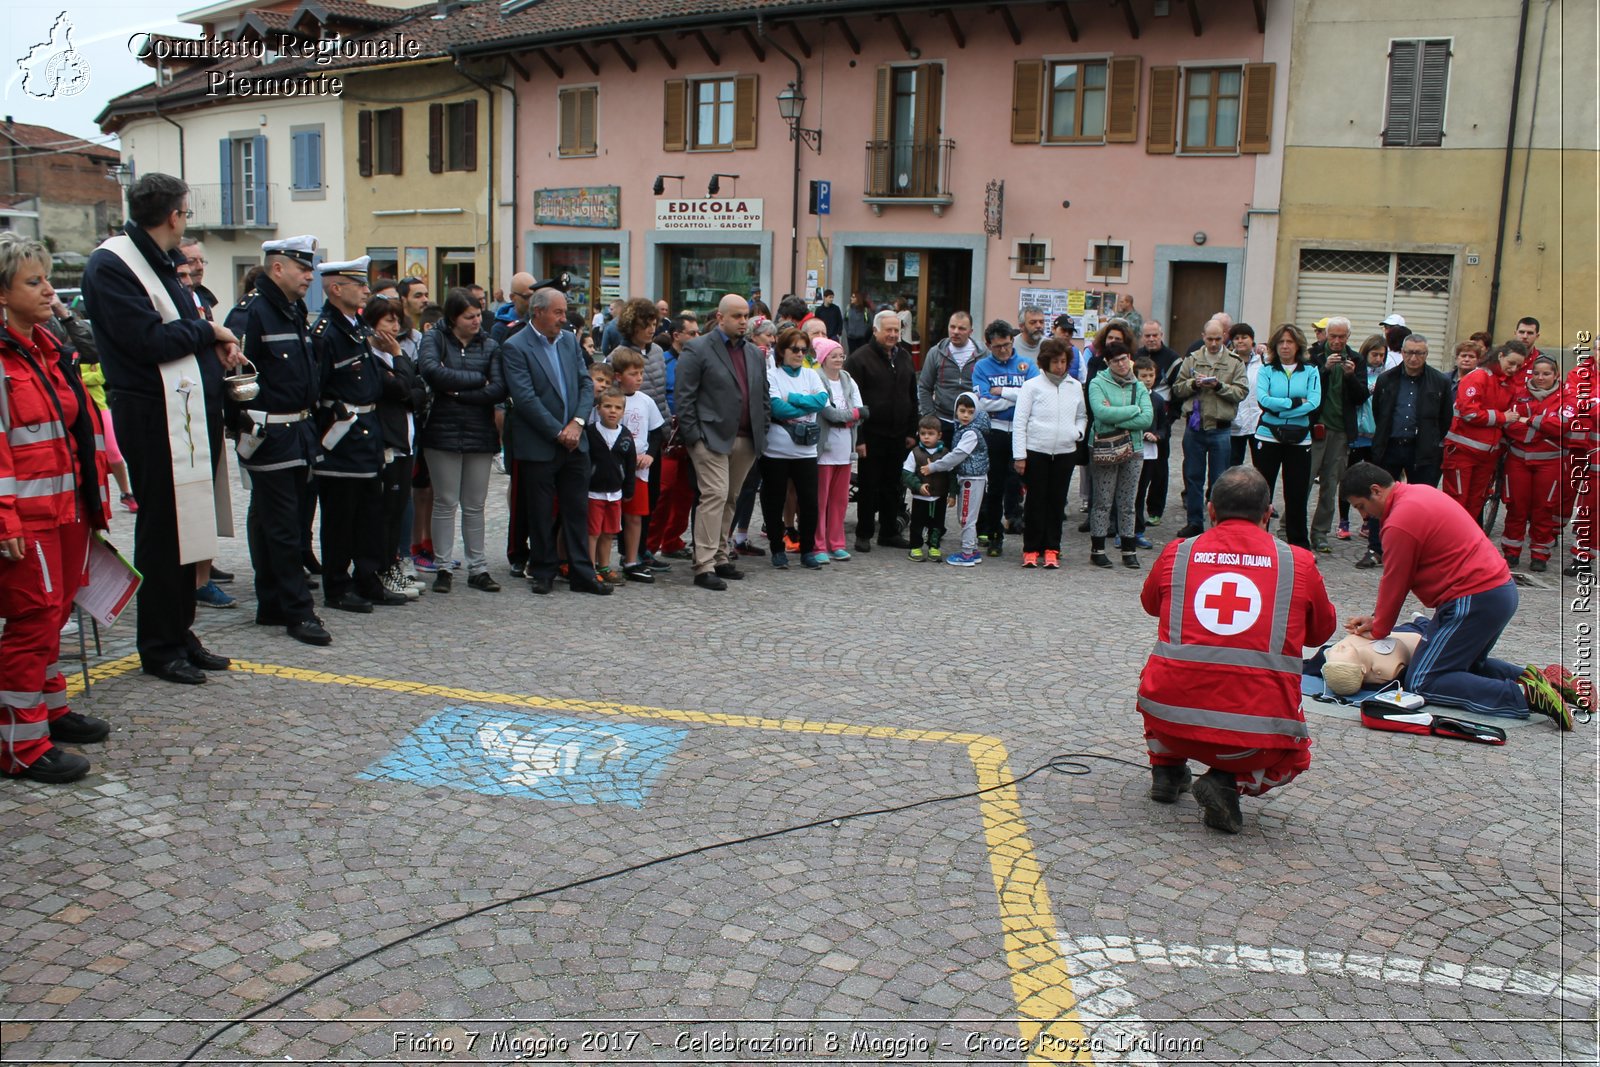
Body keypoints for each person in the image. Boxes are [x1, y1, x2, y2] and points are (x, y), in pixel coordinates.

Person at [80, 173, 243, 677]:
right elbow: (149, 341)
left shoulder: (164, 263)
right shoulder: (113, 264)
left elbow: (180, 330)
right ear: (175, 214)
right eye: (186, 213)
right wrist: (208, 329)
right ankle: (158, 645)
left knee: (189, 532)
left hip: (187, 410)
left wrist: (211, 342)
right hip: (151, 415)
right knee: (161, 534)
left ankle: (181, 630)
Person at [1138, 466, 1338, 834]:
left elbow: (1151, 604)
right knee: (1296, 757)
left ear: (1211, 510)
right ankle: (1229, 783)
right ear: (1267, 514)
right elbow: (1320, 633)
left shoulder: (1178, 552)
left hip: (1170, 722)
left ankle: (1166, 769)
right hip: (1254, 738)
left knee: (1164, 671)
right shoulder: (1299, 562)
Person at [1341, 461, 1575, 728]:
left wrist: (1380, 628)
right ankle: (1538, 679)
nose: (1364, 515)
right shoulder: (1420, 492)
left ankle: (1525, 695)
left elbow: (1395, 580)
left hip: (1473, 598)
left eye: (1361, 506)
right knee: (1467, 666)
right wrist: (1377, 619)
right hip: (1497, 591)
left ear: (1376, 490)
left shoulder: (1398, 522)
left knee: (1424, 680)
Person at [0, 232, 112, 784]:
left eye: (47, 279)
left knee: (57, 614)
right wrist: (6, 519)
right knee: (32, 622)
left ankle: (49, 711)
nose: (49, 290)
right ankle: (20, 746)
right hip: (27, 520)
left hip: (65, 511)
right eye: (34, 281)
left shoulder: (44, 347)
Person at [230, 236, 329, 646]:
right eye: (302, 268)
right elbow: (233, 379)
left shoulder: (291, 310)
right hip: (269, 434)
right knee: (284, 527)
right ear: (277, 268)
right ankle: (297, 610)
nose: (309, 276)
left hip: (298, 433)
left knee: (279, 522)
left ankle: (271, 601)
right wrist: (243, 428)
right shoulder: (251, 314)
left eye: (311, 268)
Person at [311, 256, 406, 613]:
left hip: (368, 435)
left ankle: (367, 578)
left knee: (370, 513)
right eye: (358, 283)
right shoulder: (326, 334)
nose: (366, 289)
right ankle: (337, 585)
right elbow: (316, 391)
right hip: (341, 437)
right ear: (336, 289)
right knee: (340, 518)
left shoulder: (357, 329)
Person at [502, 286, 610, 596]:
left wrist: (576, 424)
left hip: (575, 443)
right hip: (540, 444)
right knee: (539, 511)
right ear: (538, 312)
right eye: (558, 312)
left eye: (564, 312)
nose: (563, 319)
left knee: (577, 510)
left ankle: (581, 572)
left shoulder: (568, 343)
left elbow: (585, 384)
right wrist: (558, 432)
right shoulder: (516, 347)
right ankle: (543, 569)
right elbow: (525, 399)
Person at [675, 294, 768, 591]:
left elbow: (762, 396)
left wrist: (761, 428)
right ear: (720, 317)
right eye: (737, 316)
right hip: (709, 438)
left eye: (746, 316)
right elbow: (684, 396)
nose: (744, 321)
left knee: (731, 497)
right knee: (714, 495)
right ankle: (703, 565)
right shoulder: (698, 348)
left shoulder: (754, 353)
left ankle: (720, 556)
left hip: (746, 437)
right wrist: (694, 437)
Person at [417, 287, 507, 594]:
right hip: (441, 429)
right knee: (445, 501)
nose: (477, 321)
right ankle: (443, 565)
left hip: (479, 430)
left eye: (479, 314)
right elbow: (431, 372)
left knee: (475, 503)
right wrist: (474, 382)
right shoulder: (434, 339)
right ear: (454, 317)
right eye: (470, 316)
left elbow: (497, 388)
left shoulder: (491, 344)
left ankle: (478, 567)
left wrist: (456, 392)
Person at [1357, 333, 1453, 569]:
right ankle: (1376, 548)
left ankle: (1418, 551)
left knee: (1422, 503)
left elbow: (1445, 419)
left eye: (1418, 353)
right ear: (1402, 353)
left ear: (1426, 354)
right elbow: (1379, 411)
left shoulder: (1439, 381)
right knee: (1380, 498)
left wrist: (1430, 440)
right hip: (1389, 446)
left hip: (1422, 451)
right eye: (1409, 352)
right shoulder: (1387, 379)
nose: (1413, 358)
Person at [363, 296, 426, 600]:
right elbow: (401, 388)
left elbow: (418, 392)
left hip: (407, 438)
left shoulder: (396, 358)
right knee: (385, 512)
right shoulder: (372, 356)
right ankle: (382, 567)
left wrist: (403, 372)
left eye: (397, 320)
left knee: (399, 507)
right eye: (388, 320)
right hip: (386, 440)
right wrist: (399, 357)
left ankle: (392, 564)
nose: (395, 326)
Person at [844, 309, 918, 552]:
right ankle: (864, 533)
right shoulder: (859, 359)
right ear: (876, 330)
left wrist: (911, 431)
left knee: (894, 486)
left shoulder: (905, 357)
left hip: (898, 433)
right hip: (872, 433)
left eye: (897, 330)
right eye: (889, 330)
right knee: (869, 485)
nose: (894, 334)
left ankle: (888, 531)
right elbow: (852, 401)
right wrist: (859, 438)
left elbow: (912, 395)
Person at [1010, 339, 1085, 569]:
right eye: (1055, 362)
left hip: (1065, 452)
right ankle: (1031, 548)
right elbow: (1020, 421)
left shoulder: (1074, 386)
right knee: (1035, 501)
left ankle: (1052, 548)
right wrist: (1019, 455)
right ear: (1045, 362)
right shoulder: (1032, 386)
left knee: (1057, 502)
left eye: (1063, 362)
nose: (1060, 366)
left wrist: (1077, 432)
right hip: (1037, 451)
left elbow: (1082, 415)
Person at [1171, 318, 1248, 537]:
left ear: (1224, 337)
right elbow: (1177, 388)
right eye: (1209, 338)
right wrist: (1193, 384)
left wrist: (1219, 386)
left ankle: (1219, 524)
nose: (1214, 343)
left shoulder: (1234, 362)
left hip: (1221, 429)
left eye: (1217, 338)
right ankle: (1194, 521)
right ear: (1203, 337)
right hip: (1195, 427)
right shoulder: (1193, 359)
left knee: (1220, 480)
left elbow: (1241, 392)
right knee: (1193, 477)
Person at [1250, 323, 1321, 550]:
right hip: (1268, 435)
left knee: (1297, 493)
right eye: (1281, 342)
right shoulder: (1267, 370)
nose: (1285, 346)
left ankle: (1299, 544)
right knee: (1263, 492)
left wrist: (1282, 408)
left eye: (1289, 341)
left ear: (1298, 344)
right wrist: (1293, 403)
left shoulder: (1311, 371)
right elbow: (1264, 401)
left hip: (1300, 438)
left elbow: (1313, 402)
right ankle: (1258, 541)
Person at [762, 325, 828, 569]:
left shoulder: (811, 375)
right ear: (782, 350)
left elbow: (822, 401)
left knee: (810, 502)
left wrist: (795, 399)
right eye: (795, 349)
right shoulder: (773, 375)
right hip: (776, 451)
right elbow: (777, 408)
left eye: (804, 350)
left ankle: (807, 550)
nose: (800, 354)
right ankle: (777, 548)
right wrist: (805, 406)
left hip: (806, 451)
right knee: (774, 500)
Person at [1441, 341, 1527, 525]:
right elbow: (1470, 413)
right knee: (1457, 502)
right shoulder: (1478, 377)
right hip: (1461, 452)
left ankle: (1465, 544)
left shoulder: (1507, 384)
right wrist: (1502, 417)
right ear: (1500, 356)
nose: (1514, 368)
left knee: (1475, 504)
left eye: (1518, 366)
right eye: (1511, 363)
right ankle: (1447, 544)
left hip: (1487, 456)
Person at [970, 320, 1036, 555]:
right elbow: (983, 402)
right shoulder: (982, 368)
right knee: (995, 484)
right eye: (998, 347)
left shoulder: (1026, 364)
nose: (1004, 350)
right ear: (988, 345)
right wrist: (1017, 398)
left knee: (1019, 482)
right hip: (995, 430)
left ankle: (1026, 531)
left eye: (1007, 345)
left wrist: (1005, 392)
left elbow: (1033, 397)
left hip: (1021, 431)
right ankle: (994, 534)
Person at [1088, 342, 1154, 568]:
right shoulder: (1098, 383)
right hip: (1106, 446)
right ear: (1108, 362)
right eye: (1116, 360)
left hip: (1134, 448)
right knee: (1103, 500)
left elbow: (1147, 419)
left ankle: (1128, 548)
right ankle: (1097, 549)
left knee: (1128, 501)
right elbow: (1100, 412)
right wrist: (1133, 410)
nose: (1122, 364)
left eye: (1125, 358)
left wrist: (1115, 416)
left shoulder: (1138, 385)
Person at [1500, 354, 1566, 571]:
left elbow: (1563, 426)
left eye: (1546, 373)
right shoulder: (1519, 395)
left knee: (1544, 508)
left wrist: (1529, 420)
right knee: (1516, 506)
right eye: (1537, 373)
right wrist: (1542, 427)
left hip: (1550, 462)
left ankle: (1540, 554)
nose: (1541, 377)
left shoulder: (1567, 396)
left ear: (1556, 375)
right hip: (1518, 460)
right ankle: (1511, 552)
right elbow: (1510, 425)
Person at [1309, 317, 1363, 553]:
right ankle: (1290, 529)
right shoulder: (1313, 356)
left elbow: (1361, 397)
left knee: (1330, 486)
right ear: (1325, 336)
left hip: (1341, 431)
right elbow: (1306, 388)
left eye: (1342, 337)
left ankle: (1320, 533)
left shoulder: (1356, 359)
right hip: (1315, 428)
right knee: (1303, 481)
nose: (1338, 341)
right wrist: (1324, 370)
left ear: (1348, 337)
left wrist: (1351, 377)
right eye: (1333, 336)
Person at [609, 347, 663, 582]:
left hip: (639, 469)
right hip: (611, 468)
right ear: (619, 376)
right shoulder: (609, 401)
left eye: (641, 373)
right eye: (634, 373)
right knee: (608, 515)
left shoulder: (646, 401)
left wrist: (650, 454)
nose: (639, 378)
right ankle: (599, 562)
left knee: (635, 516)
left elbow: (656, 432)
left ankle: (632, 559)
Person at [815, 337, 866, 562]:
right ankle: (818, 545)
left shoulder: (847, 379)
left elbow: (861, 410)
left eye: (840, 355)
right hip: (823, 450)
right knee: (820, 499)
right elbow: (829, 413)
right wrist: (852, 416)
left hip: (845, 450)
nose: (838, 360)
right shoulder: (816, 378)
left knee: (839, 500)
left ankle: (836, 543)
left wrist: (851, 417)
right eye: (833, 356)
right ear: (823, 359)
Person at [926, 393, 991, 567]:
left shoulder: (971, 433)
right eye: (962, 411)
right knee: (969, 516)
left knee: (966, 517)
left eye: (970, 412)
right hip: (971, 477)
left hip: (970, 478)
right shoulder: (964, 429)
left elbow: (957, 456)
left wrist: (934, 466)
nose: (965, 416)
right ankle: (972, 548)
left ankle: (967, 552)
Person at [1337, 335, 1389, 542]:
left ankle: (1368, 520)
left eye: (1381, 356)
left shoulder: (1386, 376)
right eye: (1374, 354)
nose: (1378, 359)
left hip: (1373, 434)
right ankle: (1343, 520)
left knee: (1372, 482)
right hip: (1355, 433)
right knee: (1347, 479)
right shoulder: (1357, 372)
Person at [585, 388, 636, 583]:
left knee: (608, 532)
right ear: (598, 409)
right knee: (593, 532)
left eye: (617, 407)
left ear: (623, 411)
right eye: (607, 406)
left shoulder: (625, 435)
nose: (612, 411)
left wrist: (629, 488)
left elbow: (630, 464)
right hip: (593, 493)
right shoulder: (590, 433)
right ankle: (589, 568)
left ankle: (604, 566)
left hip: (614, 494)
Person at [917, 311, 979, 443]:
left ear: (970, 331)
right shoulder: (935, 353)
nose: (955, 332)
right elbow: (924, 387)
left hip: (971, 423)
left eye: (961, 328)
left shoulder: (982, 355)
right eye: (952, 327)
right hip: (941, 421)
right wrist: (930, 417)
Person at [1132, 355, 1171, 548]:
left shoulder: (1157, 399)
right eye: (1143, 375)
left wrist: (1157, 435)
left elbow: (1164, 426)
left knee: (1141, 490)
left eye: (1151, 375)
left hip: (1149, 452)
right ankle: (1123, 530)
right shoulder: (1130, 396)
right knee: (1129, 492)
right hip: (1130, 449)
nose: (1148, 379)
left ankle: (1138, 531)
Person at [903, 416, 949, 562]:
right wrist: (918, 486)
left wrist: (953, 493)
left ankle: (934, 547)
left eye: (930, 433)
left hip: (939, 496)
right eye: (923, 434)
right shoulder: (915, 453)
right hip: (920, 497)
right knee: (917, 523)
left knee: (937, 524)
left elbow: (952, 474)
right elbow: (906, 474)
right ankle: (915, 547)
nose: (926, 437)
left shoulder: (946, 453)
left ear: (939, 435)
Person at [1226, 323, 1264, 468]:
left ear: (1252, 339)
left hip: (1257, 422)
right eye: (1236, 338)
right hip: (1235, 422)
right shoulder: (1228, 362)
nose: (1240, 341)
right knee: (1232, 466)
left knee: (1261, 466)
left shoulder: (1263, 362)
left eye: (1244, 337)